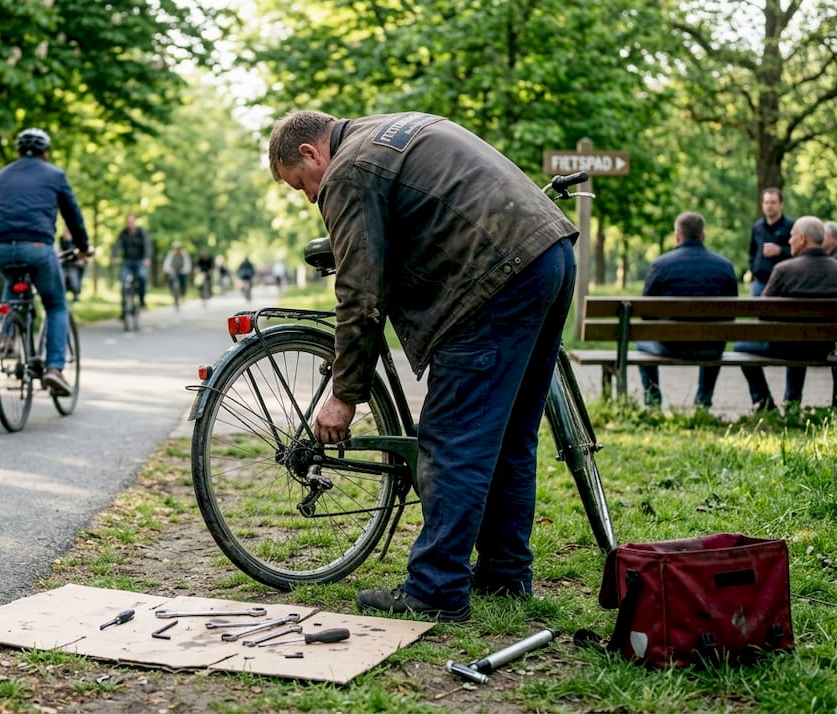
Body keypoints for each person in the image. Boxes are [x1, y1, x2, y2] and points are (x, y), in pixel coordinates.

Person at [268, 109, 577, 622]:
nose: (309, 198)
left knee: (455, 437)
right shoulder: (396, 126)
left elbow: (360, 290)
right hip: (549, 254)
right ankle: (504, 575)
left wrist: (345, 394)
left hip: (495, 277)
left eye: (301, 184)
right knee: (510, 434)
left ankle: (436, 588)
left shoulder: (347, 170)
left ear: (309, 152)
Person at [0, 127, 90, 396]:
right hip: (37, 247)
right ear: (46, 152)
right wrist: (83, 247)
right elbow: (72, 215)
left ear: (18, 151)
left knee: (13, 284)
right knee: (56, 304)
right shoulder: (55, 175)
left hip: (0, 248)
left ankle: (7, 335)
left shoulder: (1, 175)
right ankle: (54, 368)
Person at [736, 216, 837, 411]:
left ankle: (764, 402)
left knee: (740, 347)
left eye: (792, 236)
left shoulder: (783, 269)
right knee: (801, 339)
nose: (789, 241)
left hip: (784, 347)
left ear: (803, 238)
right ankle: (792, 402)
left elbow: (762, 314)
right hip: (824, 348)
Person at [636, 212, 738, 409]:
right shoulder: (724, 266)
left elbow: (645, 312)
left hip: (670, 346)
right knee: (715, 334)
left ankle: (653, 398)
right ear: (703, 236)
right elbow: (730, 313)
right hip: (711, 347)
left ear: (677, 236)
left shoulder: (661, 265)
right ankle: (703, 400)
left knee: (642, 343)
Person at [748, 188, 794, 297]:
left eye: (773, 202)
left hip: (783, 283)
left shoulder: (791, 226)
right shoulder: (757, 227)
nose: (769, 206)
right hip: (760, 282)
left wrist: (780, 250)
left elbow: (798, 254)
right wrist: (753, 269)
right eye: (766, 202)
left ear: (781, 204)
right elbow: (752, 252)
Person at [113, 213, 151, 308]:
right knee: (123, 282)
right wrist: (114, 256)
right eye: (128, 222)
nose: (130, 223)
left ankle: (142, 300)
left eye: (132, 221)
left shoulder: (141, 232)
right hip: (127, 261)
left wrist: (147, 257)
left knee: (142, 277)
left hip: (139, 260)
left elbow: (147, 245)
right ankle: (124, 309)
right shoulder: (123, 233)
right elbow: (117, 245)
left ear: (135, 221)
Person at [58, 228, 86, 302]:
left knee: (74, 280)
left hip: (73, 263)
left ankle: (76, 295)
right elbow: (62, 249)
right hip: (64, 263)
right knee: (62, 279)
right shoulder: (62, 239)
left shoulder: (76, 239)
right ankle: (62, 295)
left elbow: (80, 250)